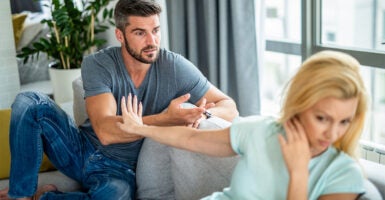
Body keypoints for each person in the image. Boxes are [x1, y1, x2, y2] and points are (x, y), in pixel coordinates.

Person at [0, 0, 238, 199]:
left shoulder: (175, 67)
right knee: (28, 101)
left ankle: (44, 197)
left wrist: (200, 114)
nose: (151, 41)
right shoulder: (99, 63)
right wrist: (166, 119)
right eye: (139, 32)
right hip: (79, 149)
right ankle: (20, 195)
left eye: (155, 30)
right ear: (120, 35)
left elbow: (229, 107)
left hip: (119, 168)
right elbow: (105, 131)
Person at [118, 50, 368, 200]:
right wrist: (139, 128)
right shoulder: (262, 130)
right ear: (300, 104)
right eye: (322, 118)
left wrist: (299, 172)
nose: (333, 133)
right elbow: (191, 140)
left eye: (344, 121)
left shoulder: (343, 174)